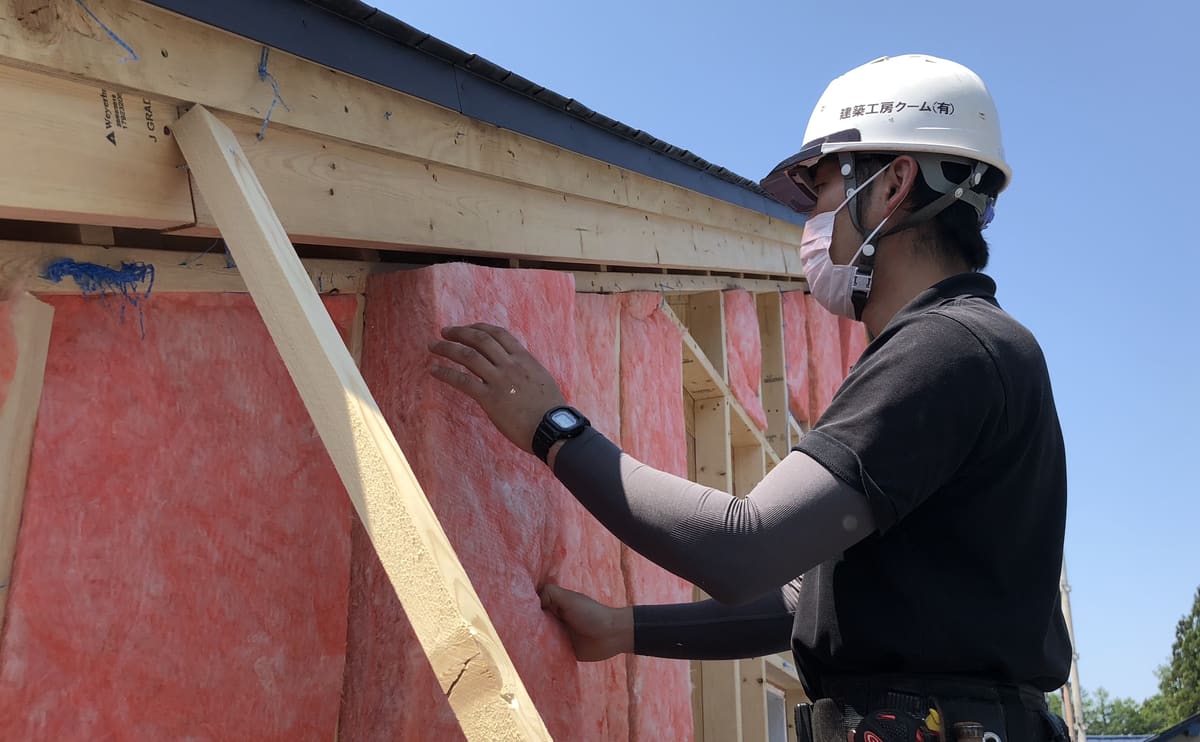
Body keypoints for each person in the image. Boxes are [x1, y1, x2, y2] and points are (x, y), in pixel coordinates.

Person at [429, 54, 1071, 742]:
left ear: (893, 184)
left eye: (820, 194)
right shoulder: (965, 350)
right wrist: (625, 629)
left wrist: (553, 428)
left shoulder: (945, 348)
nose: (810, 225)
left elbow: (742, 548)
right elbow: (802, 602)